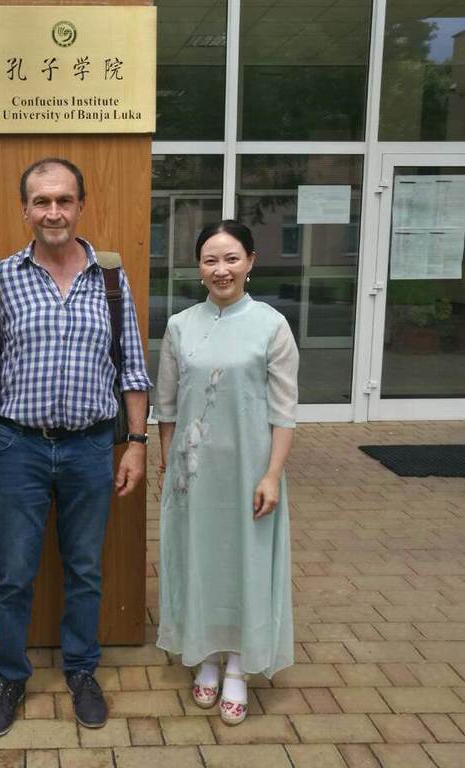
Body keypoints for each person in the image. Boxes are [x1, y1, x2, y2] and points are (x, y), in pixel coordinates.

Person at [0, 158, 152, 737]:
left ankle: (81, 670)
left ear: (80, 206)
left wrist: (136, 444)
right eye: (41, 201)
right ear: (24, 210)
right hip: (17, 447)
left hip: (89, 449)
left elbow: (132, 368)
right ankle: (11, 676)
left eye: (63, 200)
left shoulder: (110, 278)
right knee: (14, 573)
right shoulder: (1, 279)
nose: (53, 212)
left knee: (84, 569)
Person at [155, 220, 298, 726]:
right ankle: (206, 656)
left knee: (246, 562)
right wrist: (169, 464)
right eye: (211, 260)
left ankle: (239, 663)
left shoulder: (271, 326)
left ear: (250, 262)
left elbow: (284, 412)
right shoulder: (179, 326)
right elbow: (166, 407)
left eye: (232, 258)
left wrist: (272, 475)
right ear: (199, 268)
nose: (222, 269)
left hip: (250, 471)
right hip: (193, 475)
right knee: (198, 560)